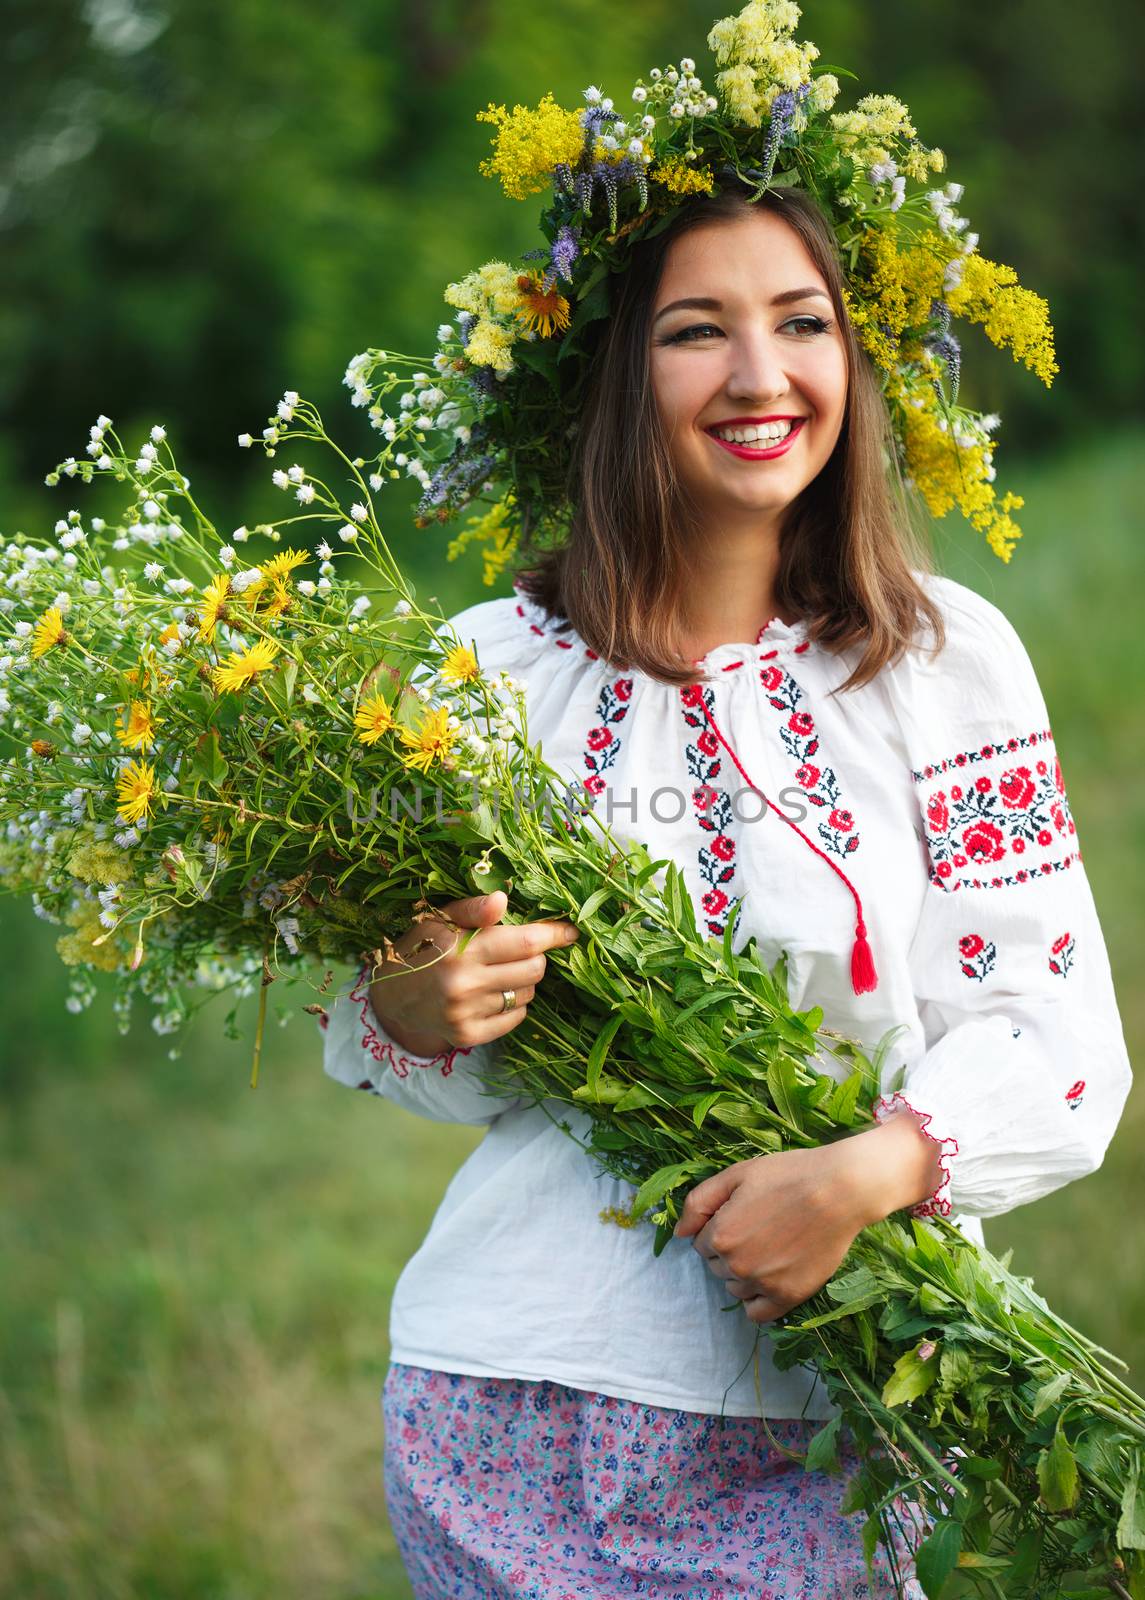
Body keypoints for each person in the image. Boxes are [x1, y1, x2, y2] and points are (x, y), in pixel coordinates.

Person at [320, 182, 1132, 1596]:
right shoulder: (481, 676)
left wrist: (871, 1174)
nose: (761, 376)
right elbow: (402, 1041)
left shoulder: (942, 663)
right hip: (510, 1397)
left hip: (830, 1406)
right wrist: (409, 1003)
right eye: (698, 331)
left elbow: (1064, 1045)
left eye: (801, 323)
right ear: (612, 376)